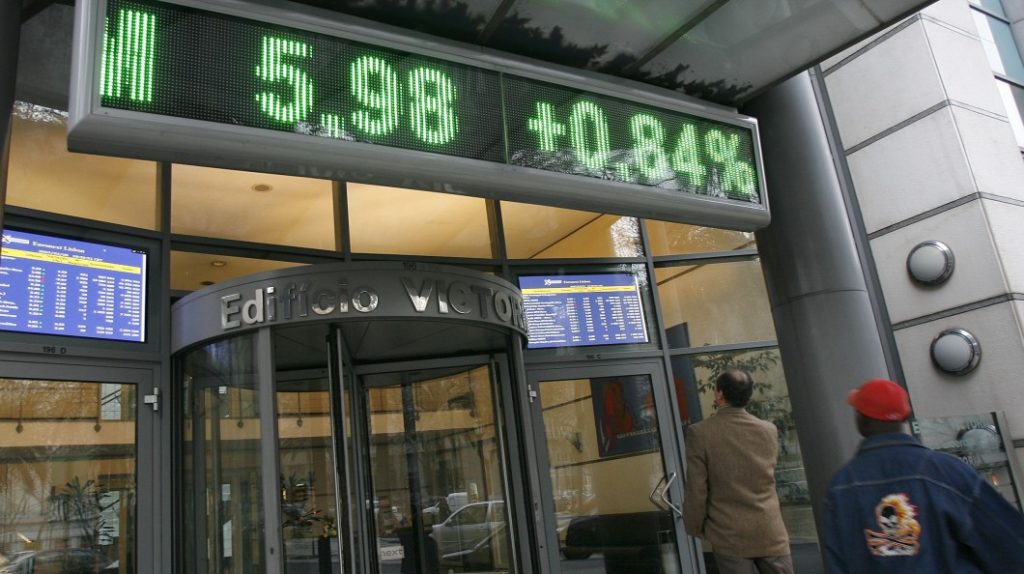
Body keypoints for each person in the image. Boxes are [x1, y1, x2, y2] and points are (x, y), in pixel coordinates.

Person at [824, 378, 1024, 572]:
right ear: (905, 417)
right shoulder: (947, 472)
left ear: (860, 420)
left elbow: (837, 562)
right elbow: (1010, 543)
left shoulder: (841, 486)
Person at [683, 369, 793, 574]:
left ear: (719, 394)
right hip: (771, 530)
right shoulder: (768, 430)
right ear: (749, 395)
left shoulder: (700, 433)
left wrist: (694, 526)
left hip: (729, 535)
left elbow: (697, 489)